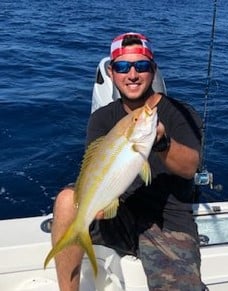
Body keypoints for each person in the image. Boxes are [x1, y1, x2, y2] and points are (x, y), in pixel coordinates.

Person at [51, 32, 205, 291]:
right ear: (112, 73)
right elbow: (95, 169)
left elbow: (190, 167)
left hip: (166, 222)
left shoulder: (179, 113)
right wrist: (97, 204)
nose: (132, 74)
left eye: (141, 65)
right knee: (67, 201)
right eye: (123, 66)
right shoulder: (101, 119)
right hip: (118, 213)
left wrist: (161, 142)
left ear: (153, 70)